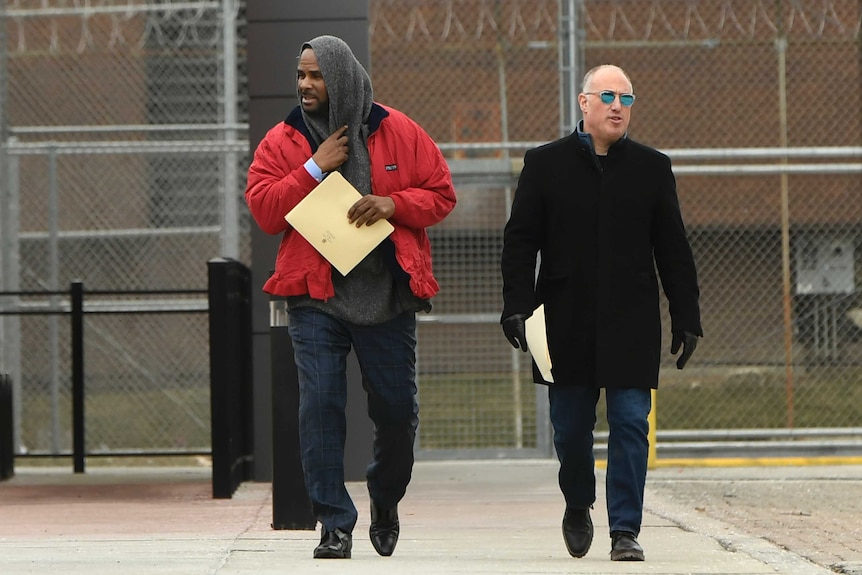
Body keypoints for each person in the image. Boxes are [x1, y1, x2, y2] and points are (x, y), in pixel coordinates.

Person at [245, 35, 456, 559]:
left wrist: (392, 203)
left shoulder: (398, 130)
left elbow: (441, 194)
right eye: (300, 75)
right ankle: (334, 523)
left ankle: (385, 499)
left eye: (315, 75)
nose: (305, 84)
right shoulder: (284, 139)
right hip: (316, 298)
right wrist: (314, 167)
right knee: (320, 406)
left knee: (396, 412)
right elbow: (266, 211)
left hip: (386, 297)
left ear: (340, 77)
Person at [500, 64, 702, 562]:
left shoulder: (652, 168)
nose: (618, 106)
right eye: (608, 96)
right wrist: (517, 306)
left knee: (632, 423)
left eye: (627, 99)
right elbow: (520, 242)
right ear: (583, 103)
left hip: (631, 320)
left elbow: (673, 249)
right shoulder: (545, 164)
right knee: (570, 430)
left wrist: (686, 315)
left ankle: (625, 530)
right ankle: (576, 502)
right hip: (564, 322)